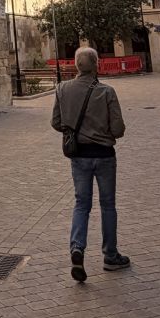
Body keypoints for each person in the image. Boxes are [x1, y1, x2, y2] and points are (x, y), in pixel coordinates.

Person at [51, 46, 129, 282]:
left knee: (81, 204)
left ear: (76, 65)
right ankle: (110, 255)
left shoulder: (62, 89)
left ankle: (77, 248)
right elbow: (118, 129)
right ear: (96, 65)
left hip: (79, 156)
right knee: (108, 205)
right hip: (104, 155)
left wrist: (74, 129)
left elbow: (56, 122)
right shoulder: (107, 92)